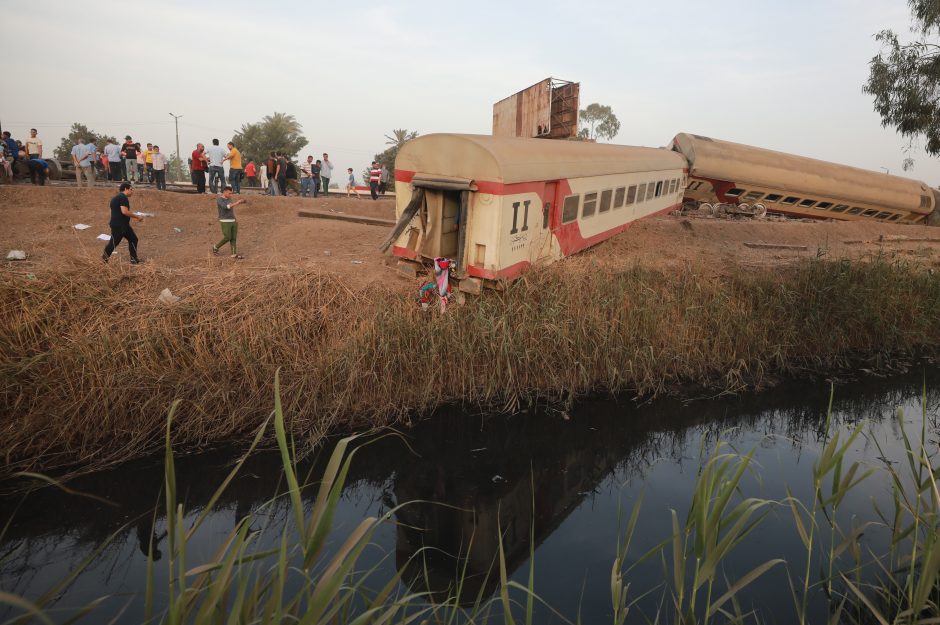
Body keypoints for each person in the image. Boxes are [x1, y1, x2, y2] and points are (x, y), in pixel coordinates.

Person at [102, 182, 143, 264]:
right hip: (120, 226)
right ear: (126, 189)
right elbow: (124, 211)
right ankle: (104, 260)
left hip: (122, 225)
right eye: (131, 189)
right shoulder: (123, 198)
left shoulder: (115, 198)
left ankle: (134, 259)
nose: (132, 191)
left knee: (133, 239)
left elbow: (113, 211)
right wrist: (137, 217)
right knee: (113, 243)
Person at [212, 187, 247, 259]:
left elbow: (231, 209)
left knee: (233, 238)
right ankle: (215, 247)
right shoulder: (219, 199)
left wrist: (235, 219)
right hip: (225, 221)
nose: (231, 195)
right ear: (224, 192)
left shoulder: (229, 199)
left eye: (231, 193)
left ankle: (234, 254)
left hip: (233, 220)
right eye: (229, 193)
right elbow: (226, 207)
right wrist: (238, 202)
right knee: (228, 237)